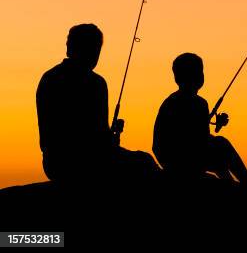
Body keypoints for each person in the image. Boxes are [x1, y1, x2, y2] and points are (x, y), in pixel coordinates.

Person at [36, 23, 159, 182]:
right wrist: (111, 138)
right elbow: (95, 137)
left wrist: (109, 138)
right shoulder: (96, 83)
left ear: (69, 48)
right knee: (144, 161)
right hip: (85, 162)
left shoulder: (49, 78)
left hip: (54, 164)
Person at [153, 53, 247, 187]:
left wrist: (214, 126)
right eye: (200, 72)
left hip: (168, 158)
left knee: (217, 146)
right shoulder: (199, 103)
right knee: (221, 144)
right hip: (182, 160)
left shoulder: (170, 101)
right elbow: (201, 140)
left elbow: (193, 134)